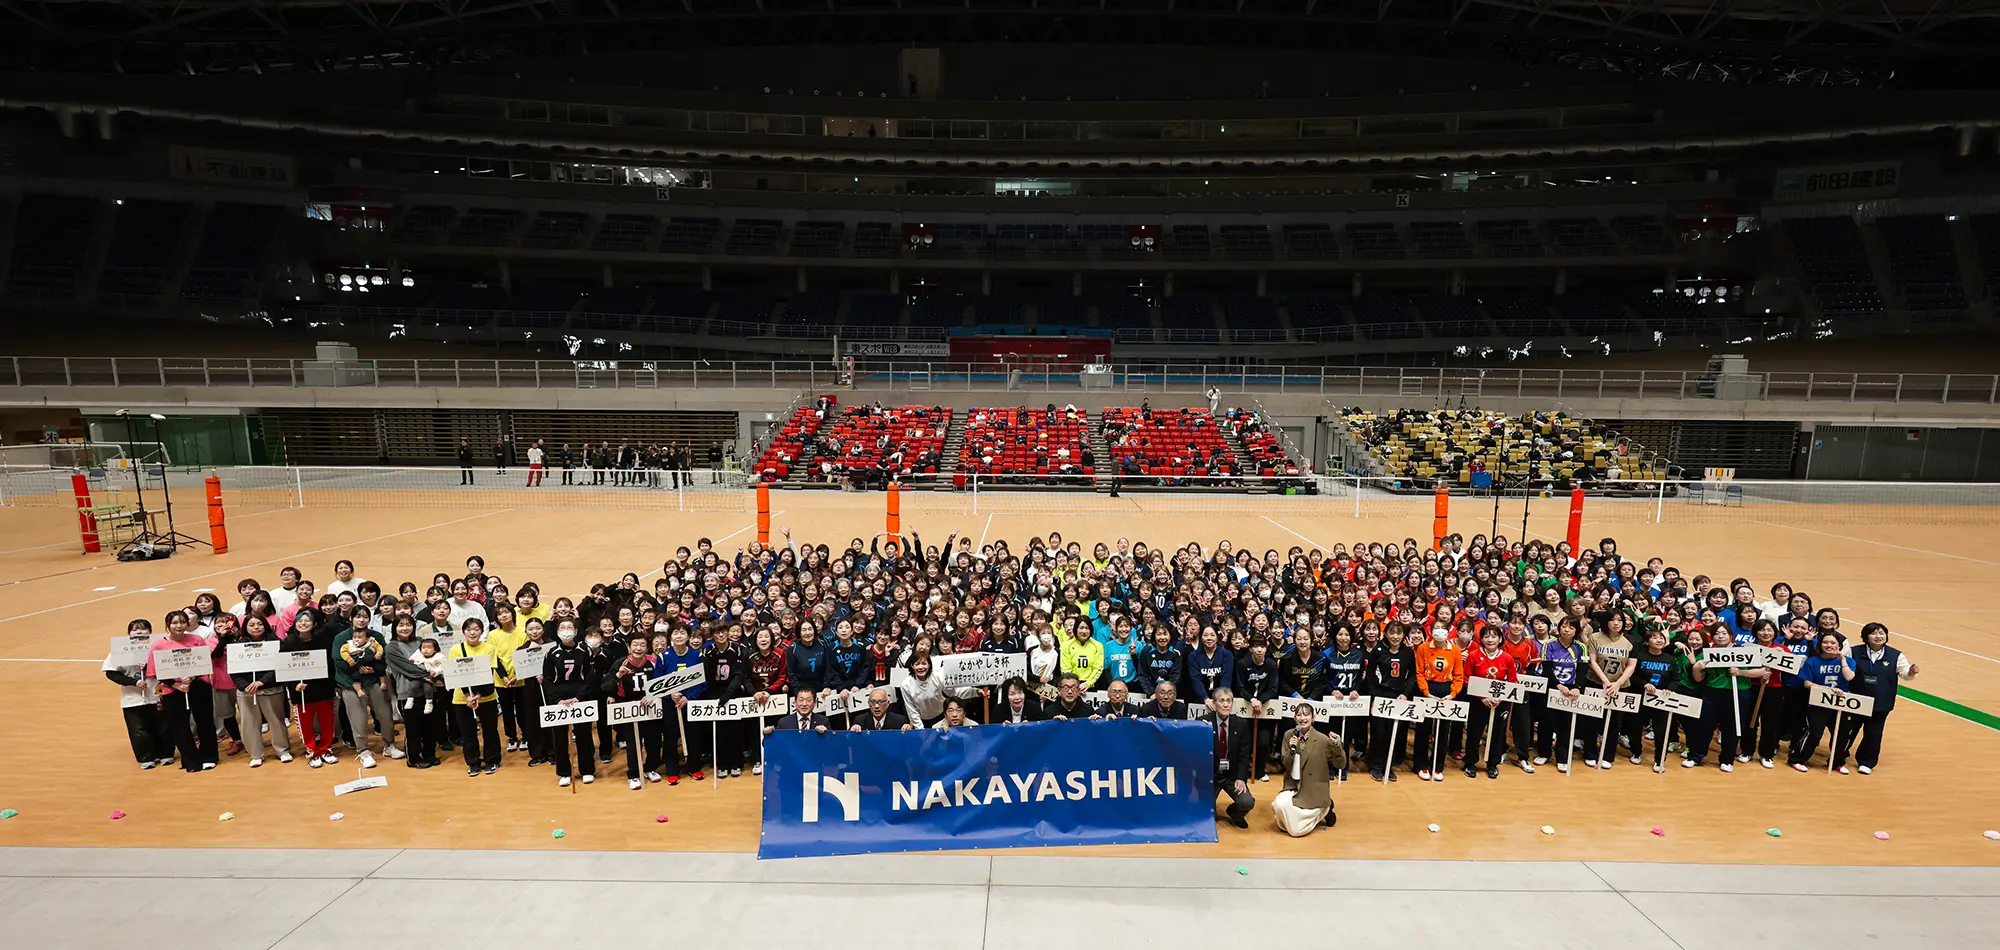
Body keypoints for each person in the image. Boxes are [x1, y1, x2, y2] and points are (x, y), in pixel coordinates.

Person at [1840, 622, 1917, 775]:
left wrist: (1912, 672)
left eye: (1881, 633)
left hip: (1880, 701)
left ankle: (1866, 762)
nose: (1878, 636)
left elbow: (1905, 673)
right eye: (1874, 633)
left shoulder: (1896, 655)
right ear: (1865, 637)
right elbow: (1844, 669)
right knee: (1847, 729)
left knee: (1874, 733)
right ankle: (1838, 756)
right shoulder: (1853, 651)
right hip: (1855, 700)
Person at [1271, 701, 1345, 835]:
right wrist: (1291, 750)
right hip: (1294, 785)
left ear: (1313, 718)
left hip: (1313, 789)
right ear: (1294, 718)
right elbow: (1286, 764)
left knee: (1295, 831)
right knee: (1279, 805)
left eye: (1306, 715)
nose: (1302, 718)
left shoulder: (1322, 739)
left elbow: (1340, 764)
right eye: (1299, 715)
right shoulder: (1289, 735)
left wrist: (1337, 745)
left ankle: (1325, 809)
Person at [279, 608, 339, 767]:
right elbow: (283, 668)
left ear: (314, 624)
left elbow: (331, 664)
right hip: (301, 692)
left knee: (327, 721)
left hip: (323, 689)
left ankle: (325, 749)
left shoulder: (323, 640)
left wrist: (330, 683)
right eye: (300, 621)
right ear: (295, 623)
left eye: (307, 621)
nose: (303, 623)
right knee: (305, 724)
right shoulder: (288, 643)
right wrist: (293, 685)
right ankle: (312, 751)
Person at [541, 618, 598, 786]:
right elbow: (547, 679)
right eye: (563, 627)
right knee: (559, 737)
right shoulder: (551, 653)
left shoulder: (584, 650)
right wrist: (557, 699)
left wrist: (579, 697)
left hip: (580, 698)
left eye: (569, 627)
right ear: (557, 631)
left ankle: (587, 770)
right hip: (559, 700)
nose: (566, 630)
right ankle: (564, 772)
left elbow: (590, 677)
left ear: (576, 630)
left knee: (584, 735)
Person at [449, 618, 509, 777]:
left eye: (476, 629)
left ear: (482, 632)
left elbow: (488, 675)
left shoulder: (489, 648)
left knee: (490, 731)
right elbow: (456, 675)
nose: (472, 632)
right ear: (463, 632)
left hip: (486, 697)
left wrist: (478, 695)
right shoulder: (455, 650)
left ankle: (492, 760)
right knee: (468, 733)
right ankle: (473, 763)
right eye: (469, 629)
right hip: (462, 699)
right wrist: (468, 695)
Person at [106, 619, 169, 769]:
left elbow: (168, 667)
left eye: (143, 629)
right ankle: (146, 757)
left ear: (150, 632)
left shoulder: (158, 646)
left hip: (156, 694)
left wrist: (149, 667)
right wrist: (133, 682)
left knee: (162, 726)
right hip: (133, 697)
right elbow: (111, 672)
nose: (139, 632)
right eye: (134, 630)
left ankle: (165, 753)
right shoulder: (119, 650)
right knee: (138, 729)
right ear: (129, 633)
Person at [334, 622, 399, 768]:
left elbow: (383, 657)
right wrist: (359, 666)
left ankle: (390, 745)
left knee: (385, 715)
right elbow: (340, 662)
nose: (361, 619)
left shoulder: (375, 637)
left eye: (365, 616)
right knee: (358, 719)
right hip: (351, 683)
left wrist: (374, 669)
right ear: (351, 618)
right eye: (358, 616)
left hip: (375, 680)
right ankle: (363, 751)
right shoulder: (341, 638)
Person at [1788, 632, 1855, 773]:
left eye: (1833, 643)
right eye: (1825, 642)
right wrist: (1827, 690)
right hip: (1818, 703)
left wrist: (1842, 659)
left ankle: (1837, 762)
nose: (1829, 645)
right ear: (1820, 644)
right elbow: (1807, 684)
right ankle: (1797, 759)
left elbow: (1849, 677)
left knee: (1842, 734)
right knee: (1815, 733)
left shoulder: (1849, 661)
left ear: (1839, 645)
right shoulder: (1812, 661)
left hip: (1840, 705)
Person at [1209, 686, 1255, 828]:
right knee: (1203, 811)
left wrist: (1241, 778)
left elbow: (1244, 755)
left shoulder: (1241, 724)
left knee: (1247, 802)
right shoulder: (1204, 723)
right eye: (1221, 701)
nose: (1225, 704)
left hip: (1232, 776)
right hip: (1211, 776)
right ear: (1214, 704)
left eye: (1229, 701)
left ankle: (1234, 814)